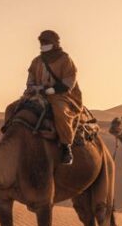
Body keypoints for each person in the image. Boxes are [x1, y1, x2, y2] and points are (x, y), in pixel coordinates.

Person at [24, 29, 84, 164]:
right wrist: (33, 88)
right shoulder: (36, 61)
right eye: (41, 42)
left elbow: (69, 81)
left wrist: (51, 90)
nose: (43, 44)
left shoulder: (65, 59)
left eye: (46, 42)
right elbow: (30, 79)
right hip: (37, 94)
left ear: (54, 43)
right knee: (14, 108)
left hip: (61, 95)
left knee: (60, 112)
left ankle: (65, 146)